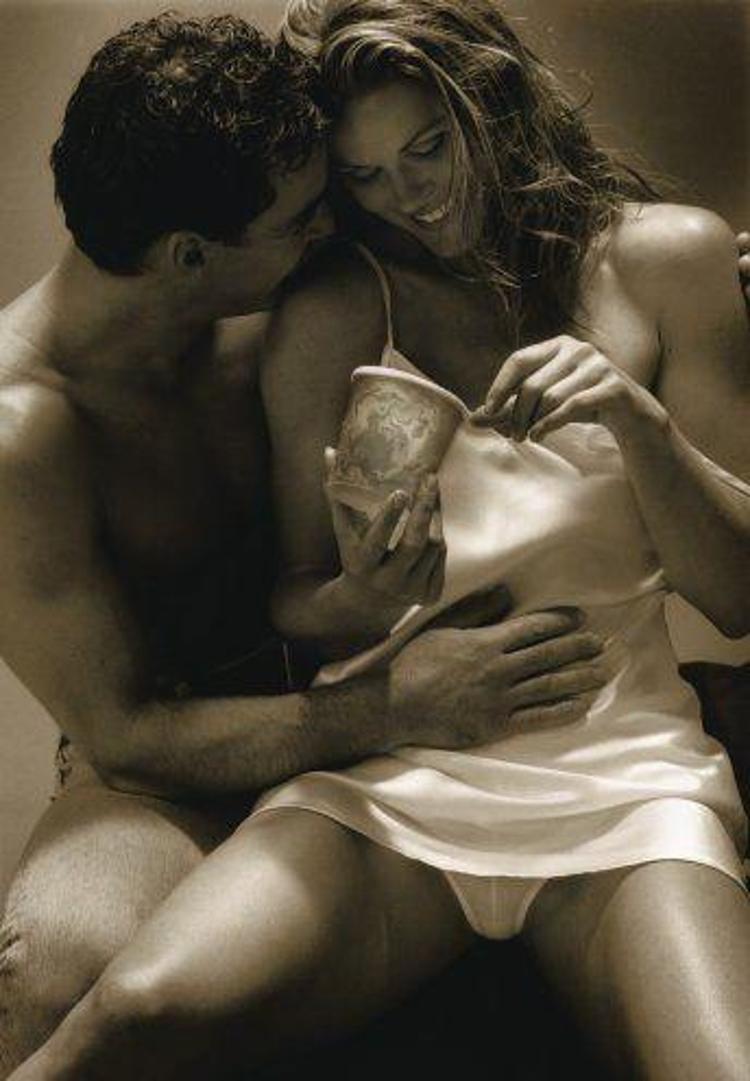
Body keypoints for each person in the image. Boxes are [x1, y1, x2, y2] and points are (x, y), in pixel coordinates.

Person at [7, 2, 750, 1080]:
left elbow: (735, 587)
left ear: (489, 103)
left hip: (617, 766)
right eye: (351, 183)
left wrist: (654, 402)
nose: (398, 200)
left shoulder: (657, 261)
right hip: (320, 757)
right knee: (107, 996)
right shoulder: (311, 313)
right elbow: (200, 677)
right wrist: (375, 634)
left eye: (428, 147)